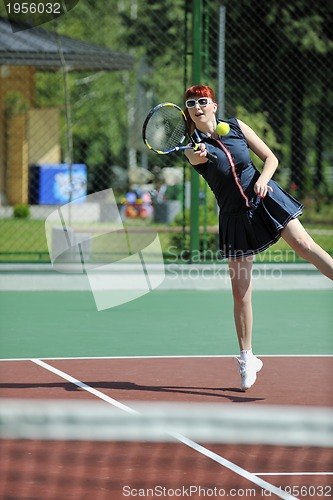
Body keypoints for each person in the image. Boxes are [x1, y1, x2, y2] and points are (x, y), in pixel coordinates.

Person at [184, 84, 333, 391]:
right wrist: (198, 152)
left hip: (265, 198)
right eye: (191, 103)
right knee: (241, 292)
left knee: (305, 245)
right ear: (188, 112)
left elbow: (270, 158)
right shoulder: (193, 147)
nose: (197, 106)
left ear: (213, 105)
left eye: (202, 101)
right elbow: (196, 160)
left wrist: (264, 181)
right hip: (234, 217)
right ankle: (247, 357)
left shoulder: (237, 127)